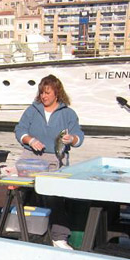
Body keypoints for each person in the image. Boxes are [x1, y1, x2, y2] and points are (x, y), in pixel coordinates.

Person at [14, 74, 85, 249]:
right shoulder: (32, 110)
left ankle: (59, 236)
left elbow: (79, 136)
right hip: (30, 159)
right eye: (42, 93)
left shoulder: (68, 113)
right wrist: (30, 140)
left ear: (56, 93)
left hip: (55, 159)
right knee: (23, 192)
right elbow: (19, 130)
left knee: (54, 196)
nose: (44, 96)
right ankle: (22, 231)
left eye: (47, 93)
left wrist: (72, 139)